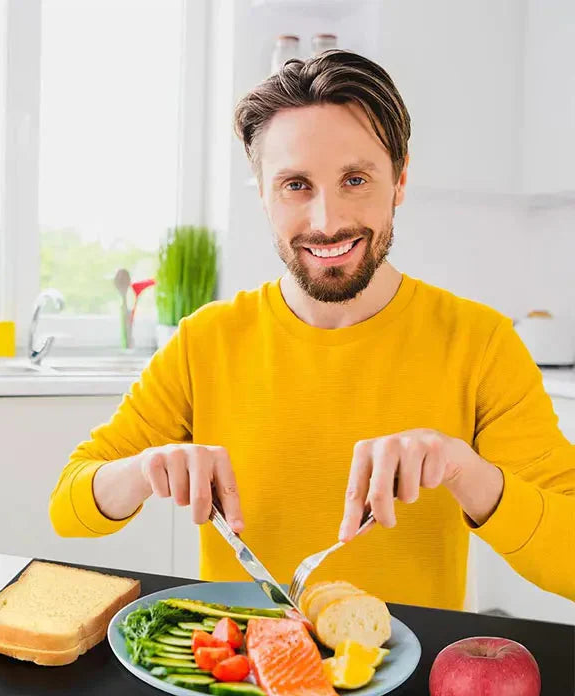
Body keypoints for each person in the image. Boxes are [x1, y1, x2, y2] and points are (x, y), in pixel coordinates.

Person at [49, 50, 575, 610]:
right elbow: (69, 508)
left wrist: (465, 471)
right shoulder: (206, 341)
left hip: (411, 686)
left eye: (355, 179)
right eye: (296, 185)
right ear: (261, 193)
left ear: (399, 181)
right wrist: (143, 470)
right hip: (240, 681)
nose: (326, 221)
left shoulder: (480, 343)